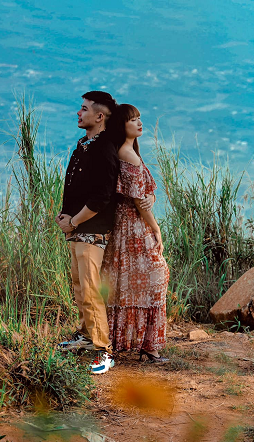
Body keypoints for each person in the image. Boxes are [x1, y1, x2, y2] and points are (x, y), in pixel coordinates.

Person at [55, 91, 149, 374]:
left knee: (91, 289)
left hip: (91, 230)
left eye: (83, 109)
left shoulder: (105, 148)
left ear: (99, 116)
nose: (78, 113)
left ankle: (103, 350)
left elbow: (102, 197)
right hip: (76, 228)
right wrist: (65, 216)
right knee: (79, 286)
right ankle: (85, 336)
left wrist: (74, 221)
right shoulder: (84, 144)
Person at [102, 104, 170, 363]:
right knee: (156, 277)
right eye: (133, 120)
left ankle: (141, 345)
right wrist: (155, 227)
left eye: (140, 118)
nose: (139, 123)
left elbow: (143, 195)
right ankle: (148, 347)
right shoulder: (127, 154)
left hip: (126, 226)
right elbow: (140, 202)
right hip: (134, 228)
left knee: (129, 284)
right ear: (122, 125)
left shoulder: (129, 152)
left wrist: (150, 197)